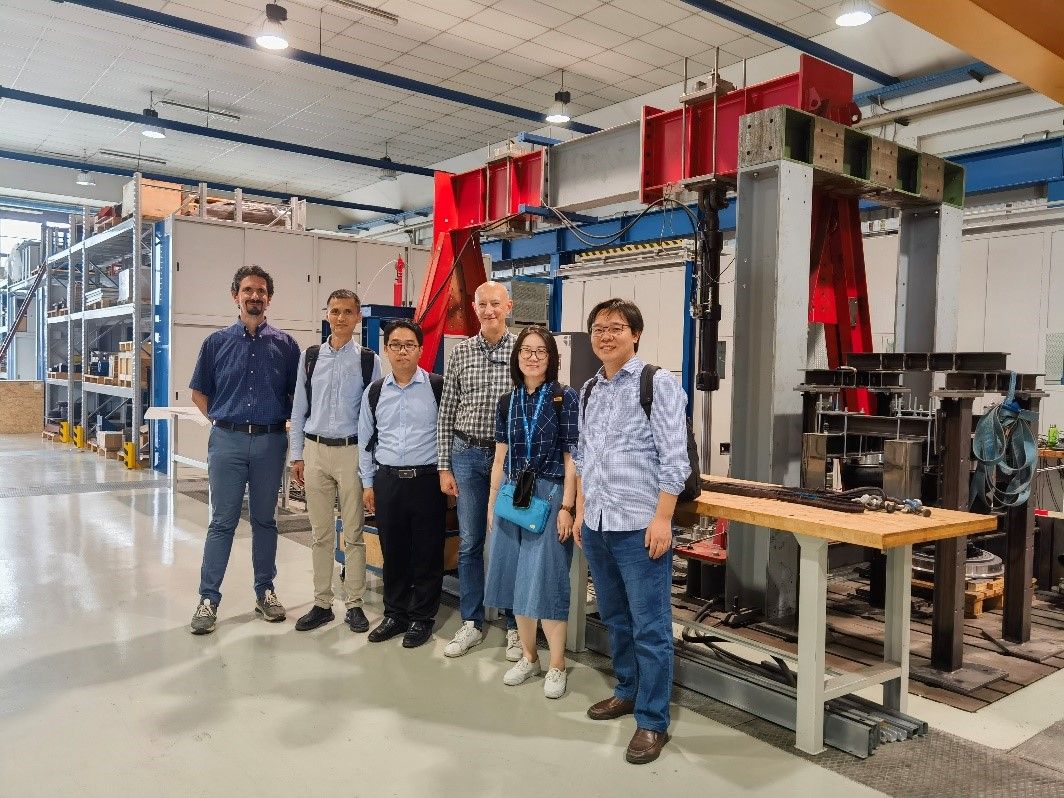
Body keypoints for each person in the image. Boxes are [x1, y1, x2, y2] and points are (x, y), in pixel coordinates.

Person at [574, 298, 690, 765]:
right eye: (599, 328)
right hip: (599, 524)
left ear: (635, 334)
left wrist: (662, 519)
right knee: (616, 618)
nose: (606, 336)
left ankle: (652, 719)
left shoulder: (657, 383)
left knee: (650, 627)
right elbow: (584, 456)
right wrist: (582, 512)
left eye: (616, 327)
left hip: (640, 528)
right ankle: (627, 689)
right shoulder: (589, 389)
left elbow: (675, 459)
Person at [188, 265, 301, 635]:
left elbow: (296, 397)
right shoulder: (216, 343)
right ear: (235, 295)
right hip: (227, 442)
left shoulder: (286, 346)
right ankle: (208, 600)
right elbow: (199, 393)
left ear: (269, 298)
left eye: (261, 291)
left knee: (266, 520)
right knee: (222, 522)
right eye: (248, 290)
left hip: (270, 442)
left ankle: (265, 591)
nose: (255, 296)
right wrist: (226, 422)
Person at [484, 326, 579, 699]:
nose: (533, 357)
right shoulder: (507, 401)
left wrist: (567, 507)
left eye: (541, 351)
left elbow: (572, 459)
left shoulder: (563, 397)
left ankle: (557, 665)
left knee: (547, 578)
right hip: (513, 496)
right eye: (527, 350)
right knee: (516, 579)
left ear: (551, 357)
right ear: (517, 355)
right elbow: (499, 458)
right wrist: (492, 503)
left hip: (550, 495)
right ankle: (529, 657)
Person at [437, 281, 521, 660]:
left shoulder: (522, 351)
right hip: (467, 455)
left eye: (495, 304)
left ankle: (515, 626)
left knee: (508, 542)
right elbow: (446, 413)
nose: (489, 311)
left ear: (508, 307)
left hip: (510, 461)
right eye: (483, 304)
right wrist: (444, 466)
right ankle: (471, 622)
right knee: (470, 542)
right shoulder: (461, 352)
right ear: (474, 308)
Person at [289, 289, 381, 634]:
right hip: (315, 452)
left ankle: (354, 604)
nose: (340, 317)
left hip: (351, 453)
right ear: (326, 315)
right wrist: (297, 455)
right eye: (334, 311)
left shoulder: (369, 361)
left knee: (353, 533)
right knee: (321, 533)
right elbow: (299, 408)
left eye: (347, 312)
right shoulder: (310, 357)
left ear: (357, 317)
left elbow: (373, 416)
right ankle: (322, 603)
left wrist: (369, 467)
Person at [359, 320, 446, 649]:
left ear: (420, 350)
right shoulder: (375, 391)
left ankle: (422, 617)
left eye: (409, 345)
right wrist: (368, 483)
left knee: (427, 552)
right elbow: (365, 441)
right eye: (395, 344)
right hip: (388, 482)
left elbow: (447, 435)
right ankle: (395, 614)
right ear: (386, 350)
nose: (402, 351)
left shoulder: (437, 387)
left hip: (427, 482)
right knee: (393, 550)